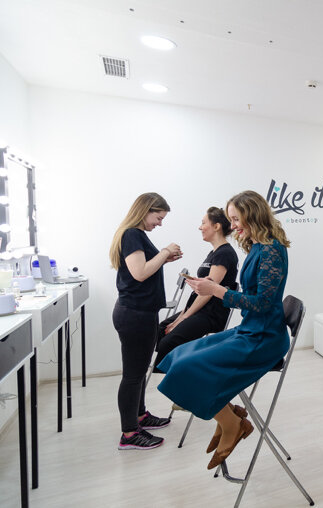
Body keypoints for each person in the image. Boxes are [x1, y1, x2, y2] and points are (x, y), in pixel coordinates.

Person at [156, 190, 290, 470]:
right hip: (250, 330)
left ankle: (232, 424)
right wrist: (213, 289)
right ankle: (230, 414)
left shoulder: (271, 250)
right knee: (179, 356)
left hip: (264, 338)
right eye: (231, 219)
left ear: (253, 215)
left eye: (236, 219)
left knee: (189, 367)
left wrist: (216, 290)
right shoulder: (257, 247)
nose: (233, 226)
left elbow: (262, 303)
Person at [109, 192, 183, 450]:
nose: (159, 223)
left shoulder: (136, 235)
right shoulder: (132, 234)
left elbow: (144, 268)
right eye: (158, 218)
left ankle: (139, 416)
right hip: (134, 314)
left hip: (141, 312)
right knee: (133, 375)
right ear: (146, 210)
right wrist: (165, 252)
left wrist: (163, 258)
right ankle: (129, 433)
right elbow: (139, 273)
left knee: (139, 371)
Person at [153, 207, 239, 369]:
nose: (200, 227)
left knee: (169, 341)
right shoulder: (214, 253)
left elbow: (208, 292)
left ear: (216, 226)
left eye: (203, 223)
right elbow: (198, 293)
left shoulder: (225, 254)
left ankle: (172, 374)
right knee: (161, 329)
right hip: (201, 310)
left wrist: (183, 318)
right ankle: (166, 371)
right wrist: (181, 316)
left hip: (211, 314)